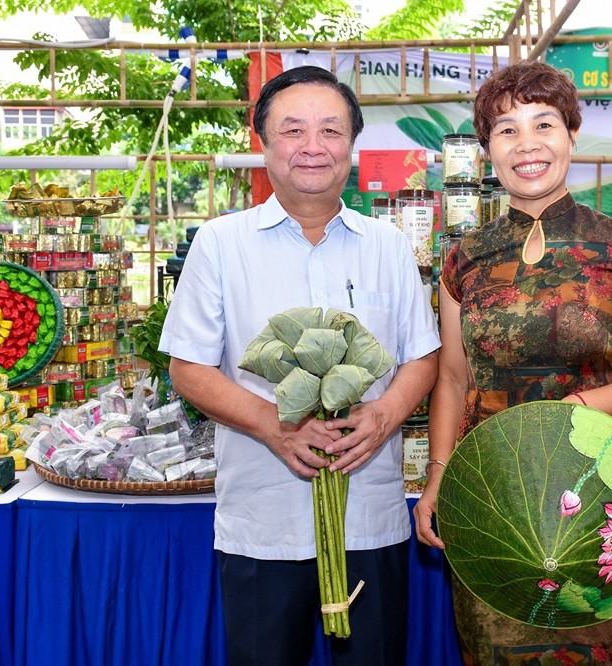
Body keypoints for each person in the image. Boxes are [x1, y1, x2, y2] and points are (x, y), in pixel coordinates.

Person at [159, 65, 440, 665]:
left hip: (369, 517)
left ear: (352, 145)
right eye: (293, 130)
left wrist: (385, 414)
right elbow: (189, 367)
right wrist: (275, 426)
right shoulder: (220, 243)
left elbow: (423, 355)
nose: (313, 147)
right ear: (263, 142)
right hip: (263, 521)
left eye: (331, 130)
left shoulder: (388, 245)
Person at [413, 60, 612, 665]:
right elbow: (453, 379)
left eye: (544, 124)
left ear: (571, 136)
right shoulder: (465, 258)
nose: (527, 144)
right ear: (487, 149)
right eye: (506, 130)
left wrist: (574, 411)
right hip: (494, 497)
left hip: (597, 498)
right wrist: (437, 476)